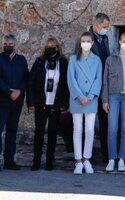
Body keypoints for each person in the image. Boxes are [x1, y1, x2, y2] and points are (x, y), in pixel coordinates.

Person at [27, 37, 69, 171]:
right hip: (41, 103)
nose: (51, 48)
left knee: (52, 133)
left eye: (53, 46)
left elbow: (67, 84)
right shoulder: (39, 62)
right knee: (39, 133)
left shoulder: (63, 63)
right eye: (48, 46)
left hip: (55, 105)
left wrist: (64, 103)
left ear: (57, 48)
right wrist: (30, 102)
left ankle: (50, 161)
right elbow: (30, 82)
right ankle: (36, 161)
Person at [101, 32, 125, 172]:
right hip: (113, 96)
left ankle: (122, 159)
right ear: (119, 41)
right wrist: (105, 99)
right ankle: (112, 159)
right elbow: (105, 80)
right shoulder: (110, 59)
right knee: (112, 128)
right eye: (124, 41)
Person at [67, 32, 102, 174]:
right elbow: (71, 79)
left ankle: (87, 158)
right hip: (77, 98)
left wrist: (91, 95)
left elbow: (98, 79)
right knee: (77, 129)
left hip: (91, 99)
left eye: (88, 40)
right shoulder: (74, 59)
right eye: (83, 40)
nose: (86, 43)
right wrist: (80, 96)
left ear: (92, 43)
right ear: (80, 42)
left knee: (89, 130)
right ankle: (78, 161)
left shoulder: (97, 60)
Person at [0, 34, 28, 170]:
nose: (8, 46)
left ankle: (9, 161)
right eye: (6, 44)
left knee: (12, 131)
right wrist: (9, 92)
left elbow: (25, 78)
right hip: (2, 102)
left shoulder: (21, 60)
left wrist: (19, 91)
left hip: (16, 102)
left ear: (15, 45)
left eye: (10, 44)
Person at [89, 13, 110, 162]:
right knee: (88, 122)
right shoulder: (86, 39)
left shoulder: (105, 38)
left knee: (105, 121)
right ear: (97, 25)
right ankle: (86, 155)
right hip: (90, 86)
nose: (106, 29)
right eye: (104, 27)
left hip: (103, 85)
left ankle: (105, 153)